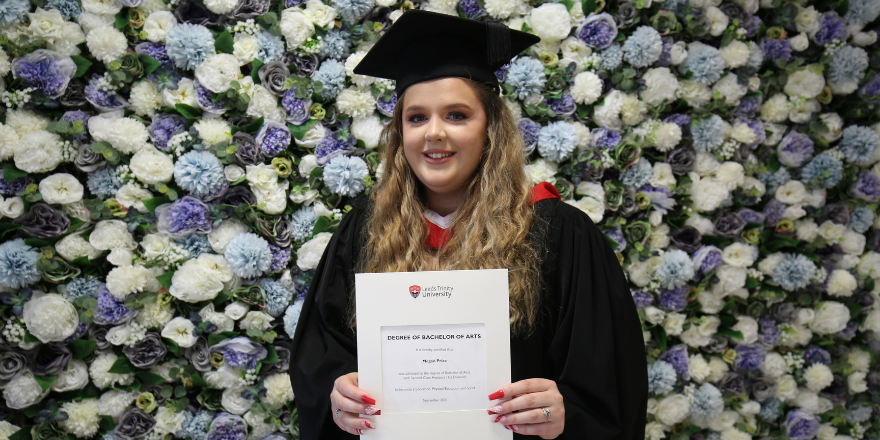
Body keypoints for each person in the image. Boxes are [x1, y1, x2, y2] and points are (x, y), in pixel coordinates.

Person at [289, 9, 647, 440]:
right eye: (416, 117)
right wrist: (340, 396)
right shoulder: (364, 232)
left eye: (457, 115)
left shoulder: (558, 234)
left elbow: (607, 379)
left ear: (491, 128)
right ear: (400, 132)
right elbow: (322, 357)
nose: (433, 133)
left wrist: (565, 412)